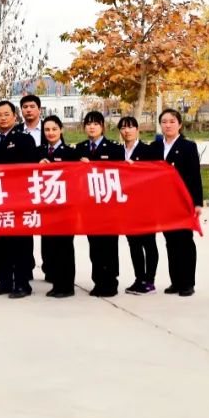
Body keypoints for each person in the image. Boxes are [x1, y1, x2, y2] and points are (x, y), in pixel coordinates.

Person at [0, 101, 37, 298]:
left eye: (6, 114)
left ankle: (22, 284)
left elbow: (29, 169)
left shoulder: (24, 139)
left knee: (20, 244)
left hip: (18, 200)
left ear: (14, 116)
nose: (2, 118)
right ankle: (4, 282)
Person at [151, 108, 201, 297]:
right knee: (170, 242)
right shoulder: (155, 147)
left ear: (179, 124)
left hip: (183, 201)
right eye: (164, 122)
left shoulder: (188, 146)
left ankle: (188, 283)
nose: (168, 125)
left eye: (172, 121)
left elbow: (195, 176)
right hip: (163, 203)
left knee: (185, 242)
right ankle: (176, 281)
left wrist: (197, 203)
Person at [75, 110, 124, 297]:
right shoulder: (79, 148)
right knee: (94, 246)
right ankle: (98, 281)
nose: (92, 127)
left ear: (102, 127)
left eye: (95, 124)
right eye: (88, 124)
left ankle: (111, 282)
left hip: (108, 205)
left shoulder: (114, 148)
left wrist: (93, 165)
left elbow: (119, 174)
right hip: (89, 206)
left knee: (109, 246)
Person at [37, 115, 77, 298]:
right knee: (50, 247)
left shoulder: (71, 153)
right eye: (47, 130)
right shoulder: (39, 152)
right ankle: (56, 283)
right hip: (46, 208)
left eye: (54, 129)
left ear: (61, 130)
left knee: (65, 248)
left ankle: (67, 286)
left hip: (65, 208)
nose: (50, 133)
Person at [118, 116, 158, 295]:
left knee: (148, 243)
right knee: (133, 244)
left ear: (137, 130)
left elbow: (156, 174)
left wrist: (138, 167)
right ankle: (139, 278)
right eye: (123, 128)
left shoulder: (148, 151)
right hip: (126, 205)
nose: (127, 131)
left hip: (146, 205)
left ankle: (150, 281)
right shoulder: (117, 152)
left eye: (130, 127)